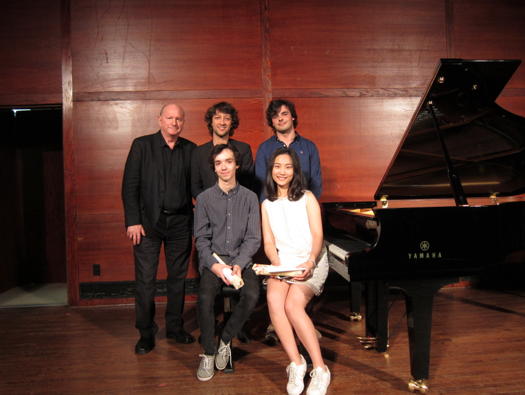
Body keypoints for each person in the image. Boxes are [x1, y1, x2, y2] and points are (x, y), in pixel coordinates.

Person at [122, 103, 196, 355]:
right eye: (169, 118)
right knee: (145, 281)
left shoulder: (191, 149)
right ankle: (146, 332)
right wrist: (133, 220)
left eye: (179, 119)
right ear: (160, 120)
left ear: (182, 122)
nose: (174, 123)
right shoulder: (142, 145)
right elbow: (129, 186)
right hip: (147, 224)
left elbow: (197, 189)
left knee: (177, 280)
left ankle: (175, 328)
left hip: (180, 224)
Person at [261, 147, 330, 395]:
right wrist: (277, 265)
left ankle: (320, 369)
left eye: (288, 166)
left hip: (311, 260)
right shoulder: (267, 204)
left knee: (292, 306)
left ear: (294, 171)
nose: (282, 171)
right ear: (271, 170)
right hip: (284, 263)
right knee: (273, 299)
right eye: (278, 166)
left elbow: (317, 235)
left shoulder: (307, 197)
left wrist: (310, 261)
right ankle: (296, 363)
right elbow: (269, 243)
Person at [194, 143, 261, 382]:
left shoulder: (251, 198)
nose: (224, 167)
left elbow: (254, 238)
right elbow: (201, 240)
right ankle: (209, 352)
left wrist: (239, 264)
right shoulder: (203, 199)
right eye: (219, 163)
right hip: (214, 261)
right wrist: (216, 266)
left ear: (237, 164)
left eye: (228, 161)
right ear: (214, 167)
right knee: (204, 298)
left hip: (241, 261)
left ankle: (225, 340)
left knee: (252, 295)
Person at [255, 99, 322, 201]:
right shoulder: (264, 148)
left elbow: (316, 183)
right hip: (274, 207)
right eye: (275, 116)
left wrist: (309, 205)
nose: (280, 118)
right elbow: (261, 184)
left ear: (293, 117)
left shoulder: (309, 147)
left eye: (284, 114)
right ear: (272, 122)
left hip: (304, 207)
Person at [191, 101, 254, 198]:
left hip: (238, 208)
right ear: (211, 122)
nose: (222, 122)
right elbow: (195, 188)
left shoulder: (244, 149)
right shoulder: (198, 152)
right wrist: (210, 205)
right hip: (209, 209)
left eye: (227, 118)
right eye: (217, 118)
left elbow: (249, 184)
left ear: (232, 123)